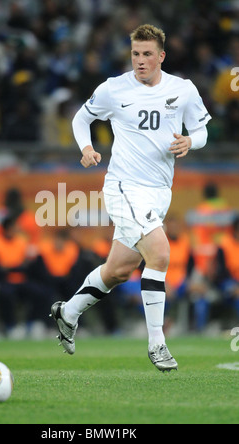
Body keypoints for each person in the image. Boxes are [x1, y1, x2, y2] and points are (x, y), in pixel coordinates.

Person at [50, 24, 211, 372]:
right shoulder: (113, 89)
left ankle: (67, 312)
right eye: (135, 53)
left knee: (119, 270)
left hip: (159, 192)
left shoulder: (182, 90)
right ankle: (157, 343)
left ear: (161, 56)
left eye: (147, 54)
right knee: (160, 253)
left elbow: (201, 130)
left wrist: (190, 142)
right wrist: (87, 147)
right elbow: (82, 118)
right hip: (124, 186)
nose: (140, 60)